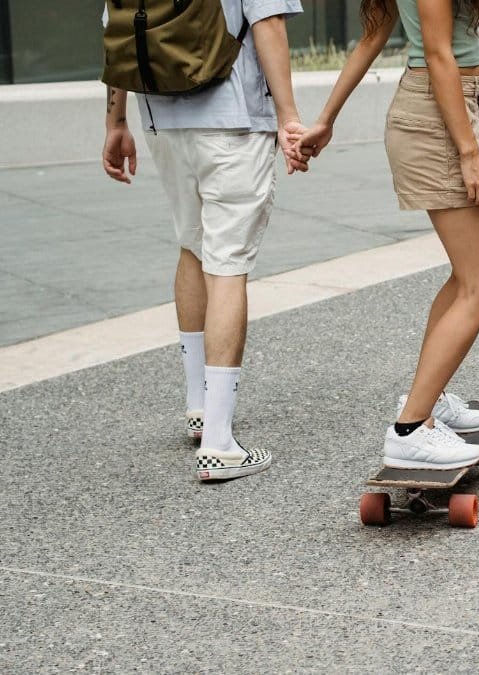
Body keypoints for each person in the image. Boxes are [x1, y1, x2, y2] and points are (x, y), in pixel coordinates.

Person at [101, 0, 309, 481]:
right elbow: (269, 23)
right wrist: (289, 119)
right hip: (234, 121)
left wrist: (115, 123)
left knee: (194, 248)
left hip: (162, 120)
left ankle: (199, 405)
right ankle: (219, 443)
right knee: (228, 265)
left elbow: (114, 32)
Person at [297, 0, 479, 469]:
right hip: (438, 116)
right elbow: (436, 53)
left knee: (465, 277)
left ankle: (428, 402)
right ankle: (410, 429)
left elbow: (373, 35)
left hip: (441, 108)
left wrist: (326, 119)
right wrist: (469, 152)